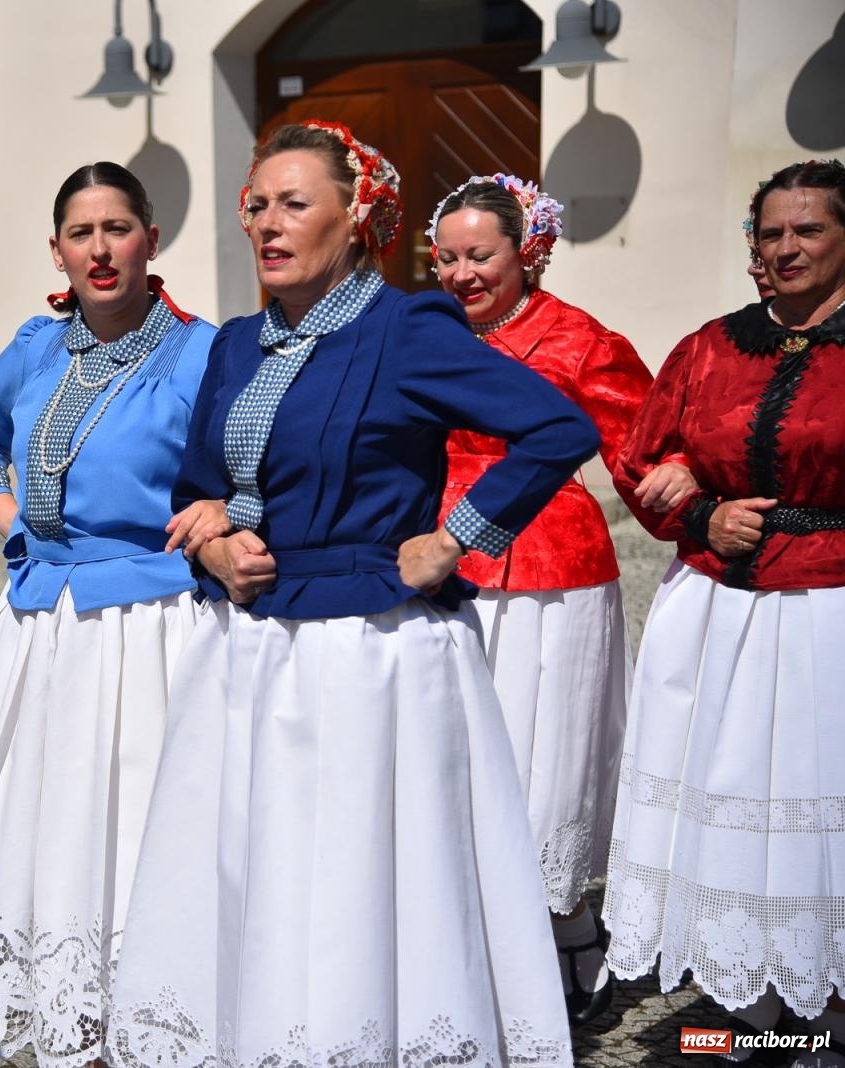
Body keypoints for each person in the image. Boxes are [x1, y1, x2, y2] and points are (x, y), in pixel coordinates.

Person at [103, 121, 599, 1068]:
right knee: (260, 872)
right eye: (256, 206)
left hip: (372, 656)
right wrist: (212, 549)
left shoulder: (407, 330)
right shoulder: (238, 342)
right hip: (250, 657)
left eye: (295, 204)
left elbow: (555, 427)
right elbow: (196, 489)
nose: (268, 225)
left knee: (356, 881)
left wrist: (458, 540)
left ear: (359, 216)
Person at [0, 162, 216, 1068]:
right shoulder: (36, 346)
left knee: (133, 821)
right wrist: (7, 523)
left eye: (118, 228)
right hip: (37, 622)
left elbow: (253, 467)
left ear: (151, 240)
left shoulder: (204, 353)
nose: (100, 249)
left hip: (149, 629)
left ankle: (153, 1015)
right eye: (81, 233)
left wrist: (221, 517)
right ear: (57, 248)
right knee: (44, 816)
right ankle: (63, 1011)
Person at [605, 158, 845, 1046]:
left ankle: (829, 999)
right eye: (771, 232)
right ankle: (753, 998)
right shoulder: (711, 346)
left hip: (829, 608)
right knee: (733, 788)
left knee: (819, 798)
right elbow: (637, 457)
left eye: (808, 229)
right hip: (717, 606)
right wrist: (701, 509)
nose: (786, 247)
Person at [427, 173, 662, 1024]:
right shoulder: (424, 331)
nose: (460, 274)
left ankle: (570, 930)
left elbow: (643, 444)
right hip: (436, 561)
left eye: (479, 255)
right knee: (451, 755)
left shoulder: (580, 338)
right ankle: (467, 935)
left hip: (551, 571)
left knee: (547, 758)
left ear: (530, 251)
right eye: (446, 258)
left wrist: (693, 514)